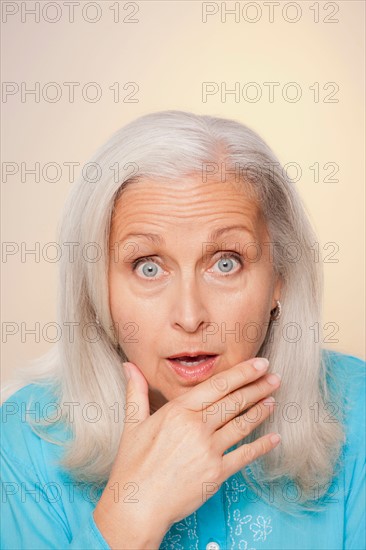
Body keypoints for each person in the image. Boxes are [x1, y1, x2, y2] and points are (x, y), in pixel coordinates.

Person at [1, 110, 365, 550]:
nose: (190, 317)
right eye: (148, 267)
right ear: (97, 288)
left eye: (226, 262)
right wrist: (129, 518)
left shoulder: (356, 411)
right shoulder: (25, 440)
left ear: (279, 278)